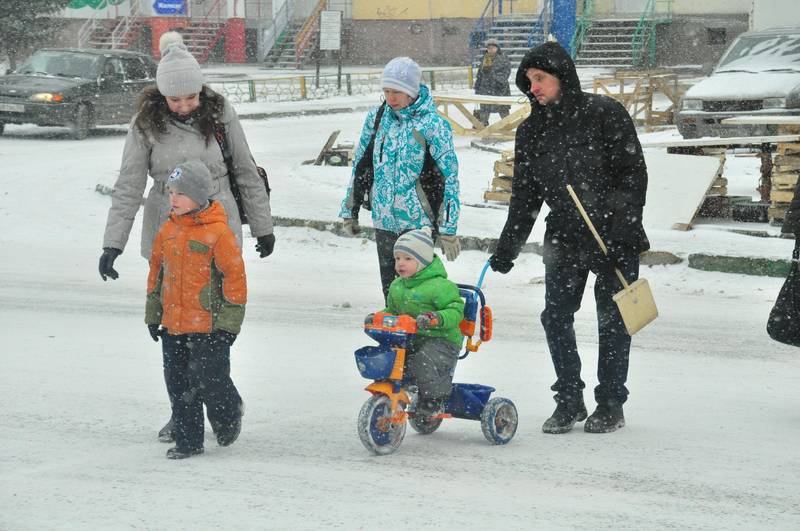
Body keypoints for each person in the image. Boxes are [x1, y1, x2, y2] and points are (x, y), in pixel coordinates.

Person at [99, 39, 274, 443]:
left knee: (211, 331)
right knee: (176, 332)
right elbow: (128, 184)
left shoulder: (219, 113)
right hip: (168, 230)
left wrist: (262, 226)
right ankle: (184, 411)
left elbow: (245, 170)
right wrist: (114, 244)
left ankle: (223, 402)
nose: (184, 105)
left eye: (191, 96)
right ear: (161, 95)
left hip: (216, 229)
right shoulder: (146, 122)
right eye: (175, 99)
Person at [488, 42, 649, 434]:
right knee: (555, 317)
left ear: (562, 76)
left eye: (540, 79)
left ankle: (610, 403)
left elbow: (633, 175)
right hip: (565, 235)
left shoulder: (604, 115)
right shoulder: (531, 131)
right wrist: (507, 245)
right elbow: (525, 195)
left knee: (612, 321)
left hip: (612, 235)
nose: (534, 88)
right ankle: (569, 399)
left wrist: (620, 230)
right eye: (529, 82)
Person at [146, 160, 246, 459]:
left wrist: (228, 326)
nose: (172, 199)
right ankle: (189, 441)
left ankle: (229, 412)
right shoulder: (168, 231)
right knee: (178, 383)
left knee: (210, 379)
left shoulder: (218, 233)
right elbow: (156, 275)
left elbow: (235, 280)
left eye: (179, 193)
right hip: (173, 325)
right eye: (170, 192)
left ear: (199, 197)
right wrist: (154, 315)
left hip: (210, 328)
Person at [339, 56, 461, 300]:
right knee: (392, 293)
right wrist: (349, 210)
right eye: (386, 91)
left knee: (418, 295)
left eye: (397, 91)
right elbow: (362, 166)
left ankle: (425, 337)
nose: (390, 97)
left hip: (419, 224)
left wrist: (448, 228)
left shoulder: (433, 125)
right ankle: (394, 338)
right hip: (384, 220)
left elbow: (450, 179)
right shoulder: (377, 119)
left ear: (412, 92)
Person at [367, 228, 465, 420]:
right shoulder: (397, 286)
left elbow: (455, 311)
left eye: (408, 259)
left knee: (421, 361)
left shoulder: (440, 286)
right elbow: (393, 311)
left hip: (442, 339)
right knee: (392, 359)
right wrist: (378, 318)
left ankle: (434, 400)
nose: (400, 264)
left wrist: (435, 318)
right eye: (397, 258)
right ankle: (398, 393)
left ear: (423, 262)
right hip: (411, 338)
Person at [473, 38, 511, 126]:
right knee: (484, 110)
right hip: (485, 88)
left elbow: (507, 72)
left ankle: (507, 129)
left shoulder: (504, 58)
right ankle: (483, 130)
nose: (491, 49)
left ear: (497, 48)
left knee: (503, 111)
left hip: (500, 89)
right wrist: (477, 87)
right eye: (489, 47)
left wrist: (497, 79)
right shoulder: (484, 58)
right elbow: (480, 74)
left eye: (493, 47)